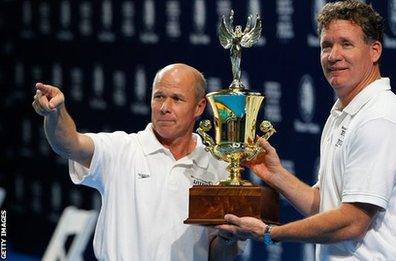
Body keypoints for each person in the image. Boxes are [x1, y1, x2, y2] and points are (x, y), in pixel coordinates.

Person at [217, 1, 396, 260]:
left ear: (375, 51)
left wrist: (269, 232)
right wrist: (276, 175)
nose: (333, 55)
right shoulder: (344, 112)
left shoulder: (379, 118)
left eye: (346, 44)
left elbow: (352, 221)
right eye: (326, 46)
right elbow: (327, 204)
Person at [32, 63, 241, 260]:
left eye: (177, 99)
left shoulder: (218, 165)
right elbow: (70, 144)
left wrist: (227, 238)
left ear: (199, 107)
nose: (164, 107)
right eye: (159, 96)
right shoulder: (121, 149)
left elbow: (217, 255)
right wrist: (54, 113)